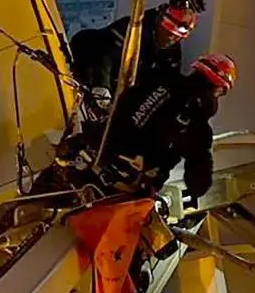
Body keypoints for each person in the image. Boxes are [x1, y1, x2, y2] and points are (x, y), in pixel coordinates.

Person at [91, 52, 236, 208]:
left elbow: (124, 102)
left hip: (95, 156)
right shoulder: (198, 129)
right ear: (219, 90)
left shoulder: (159, 79)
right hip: (128, 194)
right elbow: (198, 183)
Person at [69, 0, 205, 110]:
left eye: (177, 37)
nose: (171, 39)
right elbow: (104, 54)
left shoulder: (171, 54)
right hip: (84, 65)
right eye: (168, 34)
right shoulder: (131, 30)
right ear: (159, 23)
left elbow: (164, 84)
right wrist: (101, 86)